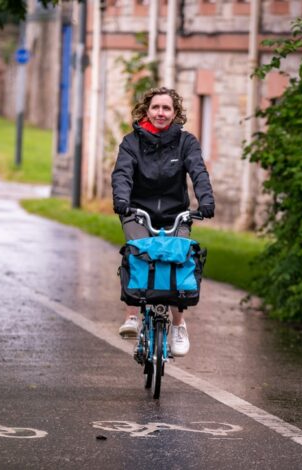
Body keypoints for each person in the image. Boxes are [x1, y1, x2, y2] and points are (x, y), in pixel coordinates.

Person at [111, 87, 215, 357]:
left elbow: (198, 171)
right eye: (155, 107)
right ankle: (132, 316)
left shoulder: (186, 142)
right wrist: (122, 201)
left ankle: (179, 325)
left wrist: (205, 201)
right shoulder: (131, 142)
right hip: (137, 211)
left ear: (175, 112)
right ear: (147, 110)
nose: (160, 113)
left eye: (166, 108)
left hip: (175, 212)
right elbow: (122, 174)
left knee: (178, 258)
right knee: (137, 253)